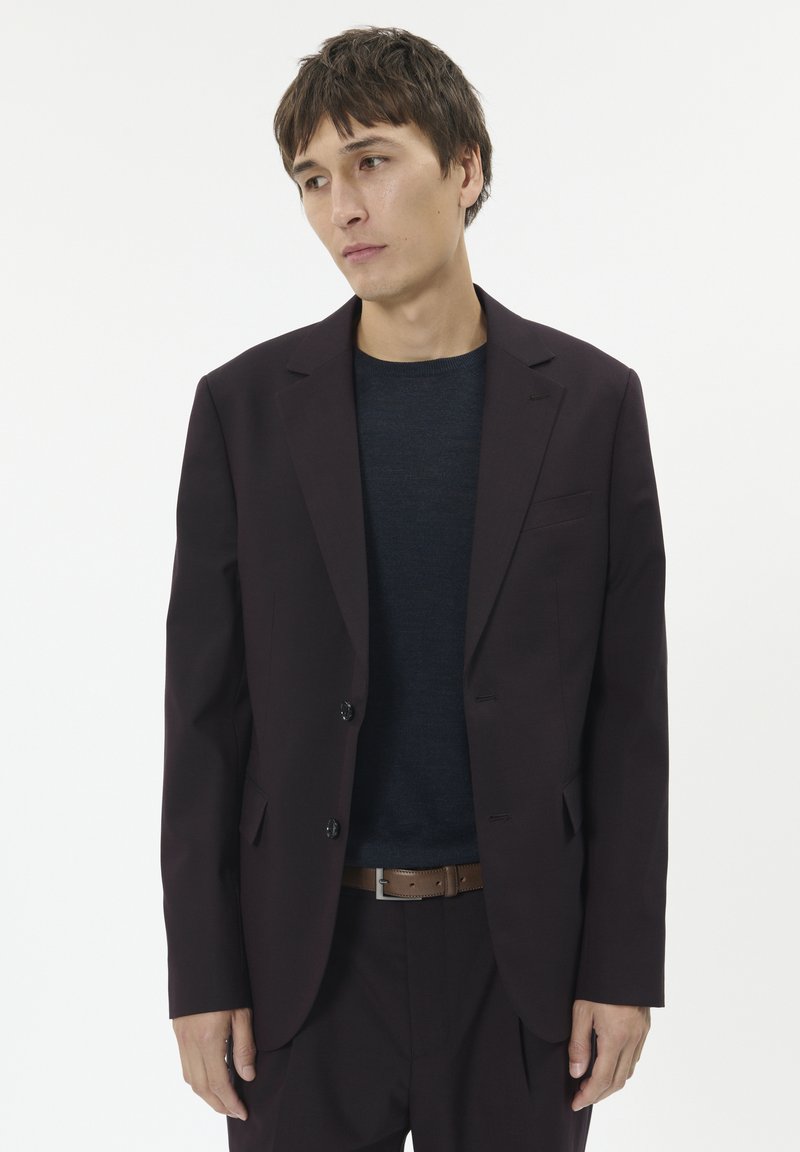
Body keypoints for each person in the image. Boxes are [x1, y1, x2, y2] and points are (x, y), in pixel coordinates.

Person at [161, 25, 668, 1152]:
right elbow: (204, 716)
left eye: (372, 161)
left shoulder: (591, 406)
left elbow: (629, 710)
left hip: (521, 964)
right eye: (313, 180)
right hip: (302, 967)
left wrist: (623, 966)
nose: (342, 206)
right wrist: (202, 975)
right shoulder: (243, 410)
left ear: (466, 167)